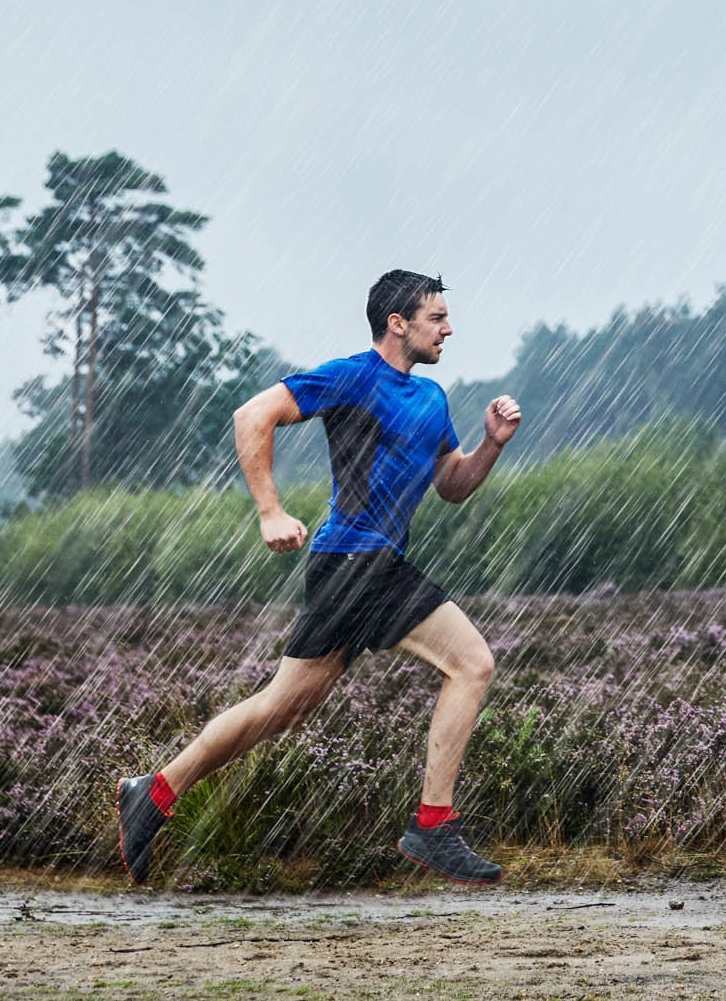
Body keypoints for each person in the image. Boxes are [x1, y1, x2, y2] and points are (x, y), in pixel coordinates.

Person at [116, 269, 522, 886]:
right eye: (436, 317)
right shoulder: (354, 376)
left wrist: (490, 446)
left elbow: (451, 486)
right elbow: (252, 415)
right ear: (398, 324)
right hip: (355, 560)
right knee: (473, 664)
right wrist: (270, 511)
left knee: (283, 708)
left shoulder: (431, 399)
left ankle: (154, 792)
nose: (448, 328)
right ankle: (433, 825)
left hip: (363, 566)